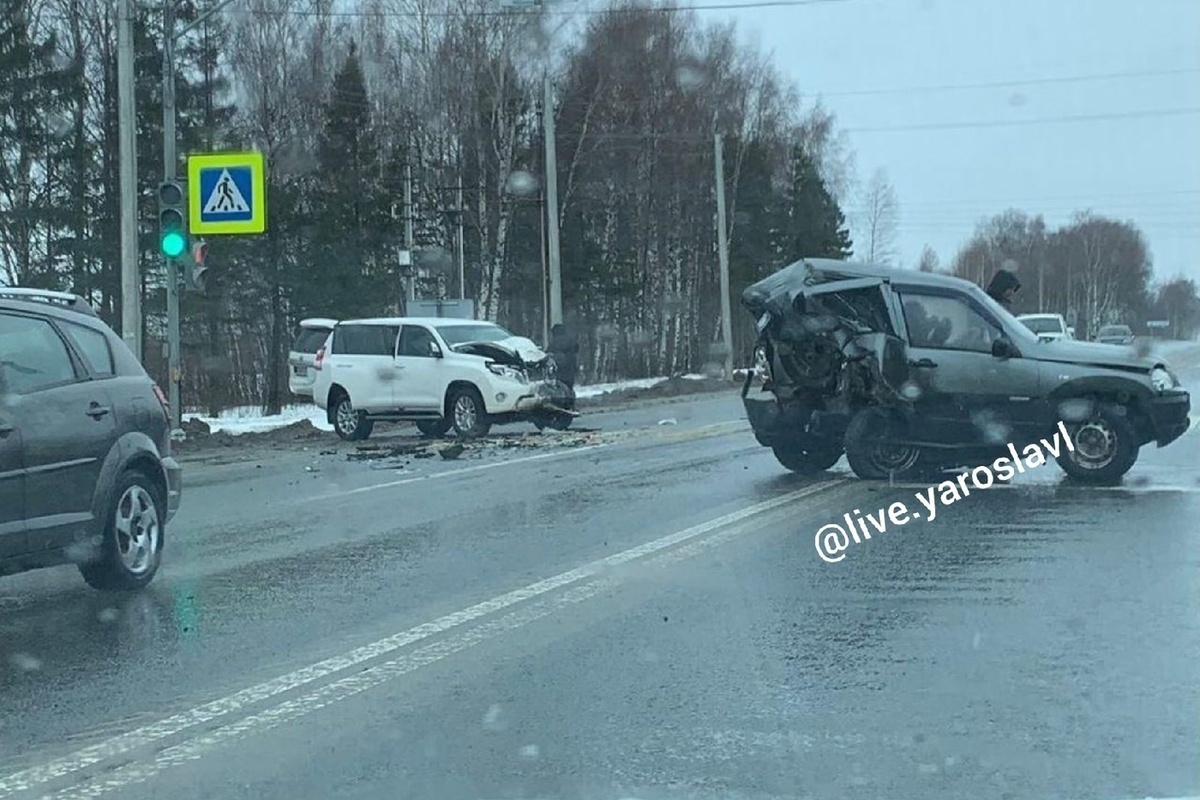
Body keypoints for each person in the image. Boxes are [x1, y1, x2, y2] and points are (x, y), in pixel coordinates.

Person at [547, 323, 579, 390]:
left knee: (560, 387)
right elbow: (576, 350)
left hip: (559, 370)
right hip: (570, 368)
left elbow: (548, 352)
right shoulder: (570, 340)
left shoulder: (554, 342)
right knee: (569, 387)